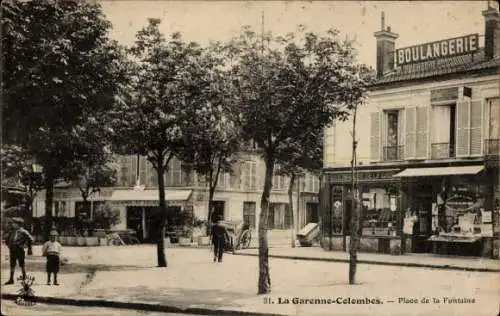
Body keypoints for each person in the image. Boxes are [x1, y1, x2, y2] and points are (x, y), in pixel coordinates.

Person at [3, 217, 34, 285]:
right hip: (12, 249)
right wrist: (9, 245)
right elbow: (7, 239)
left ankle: (24, 276)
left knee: (21, 264)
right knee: (12, 264)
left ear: (19, 224)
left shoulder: (23, 231)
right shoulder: (12, 231)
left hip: (20, 249)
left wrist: (25, 245)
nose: (13, 224)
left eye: (14, 223)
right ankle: (11, 279)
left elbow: (31, 239)